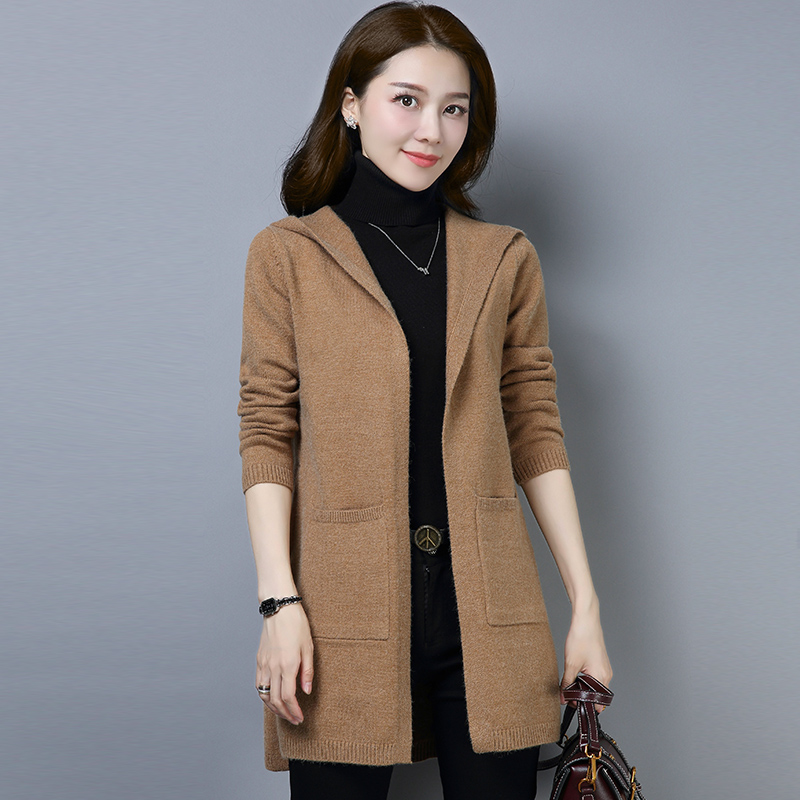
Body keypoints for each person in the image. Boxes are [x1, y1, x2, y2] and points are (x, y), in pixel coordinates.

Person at [237, 3, 612, 798]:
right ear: (351, 106)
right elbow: (268, 430)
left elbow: (534, 429)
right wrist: (279, 602)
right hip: (337, 616)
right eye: (406, 99)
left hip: (490, 616)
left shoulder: (504, 258)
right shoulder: (287, 256)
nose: (431, 130)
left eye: (454, 108)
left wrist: (585, 606)